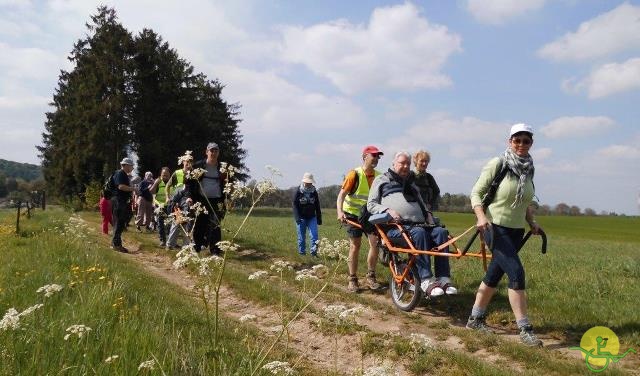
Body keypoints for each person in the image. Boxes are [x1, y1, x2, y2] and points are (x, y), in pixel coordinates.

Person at [465, 123, 543, 347]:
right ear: (509, 141)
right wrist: (481, 217)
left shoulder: (529, 169)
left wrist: (532, 222)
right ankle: (525, 329)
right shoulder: (498, 163)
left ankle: (475, 319)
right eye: (516, 140)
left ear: (531, 143)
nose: (521, 144)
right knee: (517, 273)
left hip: (516, 231)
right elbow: (476, 192)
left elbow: (528, 201)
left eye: (525, 141)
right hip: (494, 228)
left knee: (493, 275)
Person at [367, 151, 457, 297]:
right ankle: (426, 280)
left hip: (418, 225)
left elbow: (422, 204)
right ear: (393, 163)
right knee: (419, 233)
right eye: (402, 163)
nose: (405, 166)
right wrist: (387, 210)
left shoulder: (411, 184)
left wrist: (428, 215)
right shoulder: (382, 179)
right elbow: (371, 205)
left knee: (441, 233)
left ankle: (443, 278)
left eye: (408, 164)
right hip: (395, 228)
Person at [336, 145, 384, 292]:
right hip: (352, 214)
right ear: (364, 157)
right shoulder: (354, 174)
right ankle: (352, 279)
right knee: (355, 245)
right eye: (373, 156)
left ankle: (370, 277)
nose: (376, 159)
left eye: (378, 156)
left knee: (375, 244)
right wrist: (340, 212)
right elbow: (341, 195)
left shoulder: (380, 176)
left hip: (369, 215)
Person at [192, 142, 227, 255]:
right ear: (206, 152)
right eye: (211, 150)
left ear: (218, 153)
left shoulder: (223, 168)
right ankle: (196, 247)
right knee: (200, 224)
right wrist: (189, 197)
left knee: (215, 225)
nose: (213, 153)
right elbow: (189, 183)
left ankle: (215, 251)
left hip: (217, 200)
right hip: (201, 200)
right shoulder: (198, 166)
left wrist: (228, 198)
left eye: (216, 150)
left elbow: (228, 184)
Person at [165, 151, 193, 250]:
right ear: (183, 162)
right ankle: (170, 244)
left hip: (188, 200)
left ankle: (185, 246)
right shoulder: (177, 173)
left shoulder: (194, 174)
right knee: (177, 221)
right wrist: (168, 197)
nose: (188, 163)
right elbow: (167, 186)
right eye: (187, 161)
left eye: (190, 161)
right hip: (177, 199)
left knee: (187, 222)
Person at [292, 172, 322, 256]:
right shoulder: (298, 191)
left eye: (310, 182)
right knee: (301, 238)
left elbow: (317, 205)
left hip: (312, 217)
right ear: (304, 181)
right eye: (307, 182)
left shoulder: (314, 191)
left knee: (314, 236)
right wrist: (297, 217)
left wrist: (319, 218)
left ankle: (314, 253)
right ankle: (302, 254)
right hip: (301, 218)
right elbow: (294, 205)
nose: (309, 183)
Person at [111, 157, 136, 253]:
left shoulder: (122, 174)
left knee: (120, 223)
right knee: (119, 223)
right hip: (119, 201)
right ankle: (116, 245)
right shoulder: (120, 173)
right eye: (131, 166)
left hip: (121, 201)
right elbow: (121, 186)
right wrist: (133, 189)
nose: (132, 168)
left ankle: (115, 243)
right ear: (126, 165)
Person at [151, 167, 171, 247]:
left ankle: (170, 241)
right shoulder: (158, 182)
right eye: (163, 175)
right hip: (159, 205)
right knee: (160, 223)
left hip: (169, 205)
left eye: (166, 175)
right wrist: (155, 183)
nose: (165, 177)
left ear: (170, 175)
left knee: (170, 224)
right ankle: (162, 240)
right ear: (160, 175)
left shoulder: (172, 182)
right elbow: (151, 192)